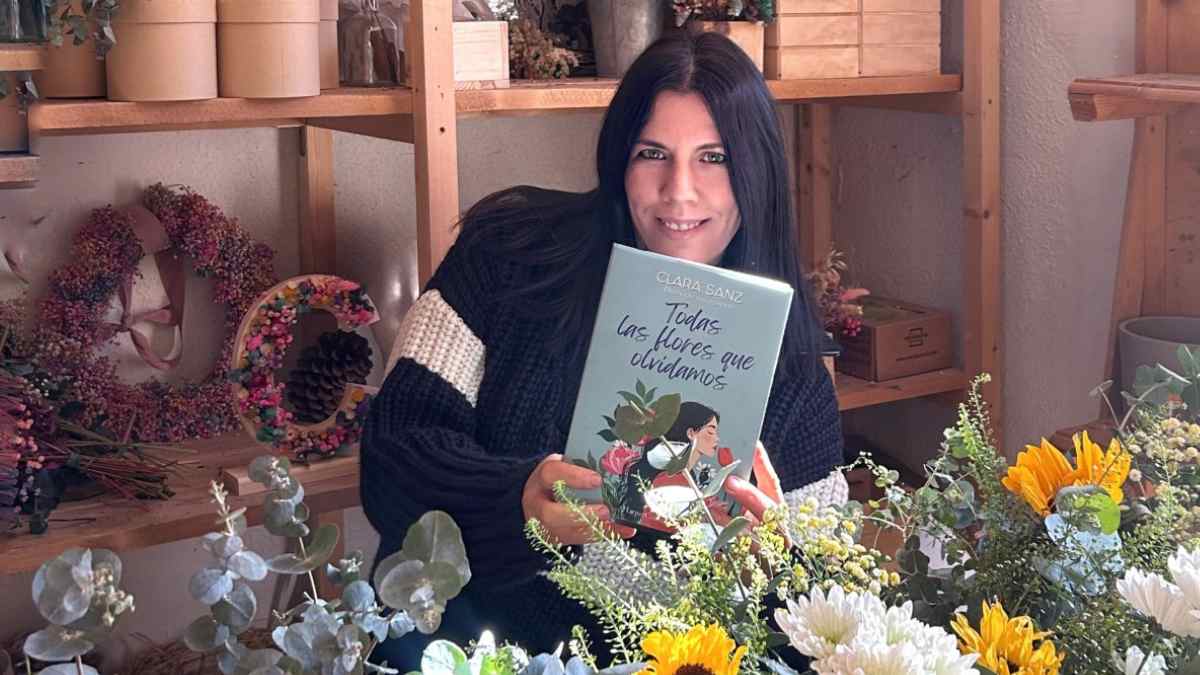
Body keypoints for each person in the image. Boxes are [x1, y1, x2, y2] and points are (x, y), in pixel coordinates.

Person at [361, 29, 847, 668]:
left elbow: (821, 619)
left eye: (715, 157)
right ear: (619, 158)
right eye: (653, 153)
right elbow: (392, 455)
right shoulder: (507, 257)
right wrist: (516, 503)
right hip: (459, 643)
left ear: (757, 172)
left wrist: (771, 570)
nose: (679, 190)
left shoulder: (794, 377)